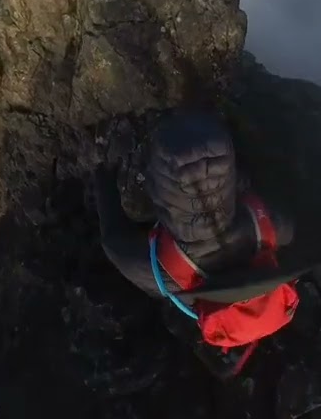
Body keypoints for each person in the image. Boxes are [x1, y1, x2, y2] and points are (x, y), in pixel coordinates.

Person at [94, 108, 301, 377]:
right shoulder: (166, 277)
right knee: (135, 207)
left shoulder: (275, 229)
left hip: (215, 136)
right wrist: (102, 174)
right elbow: (113, 244)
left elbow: (274, 194)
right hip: (164, 149)